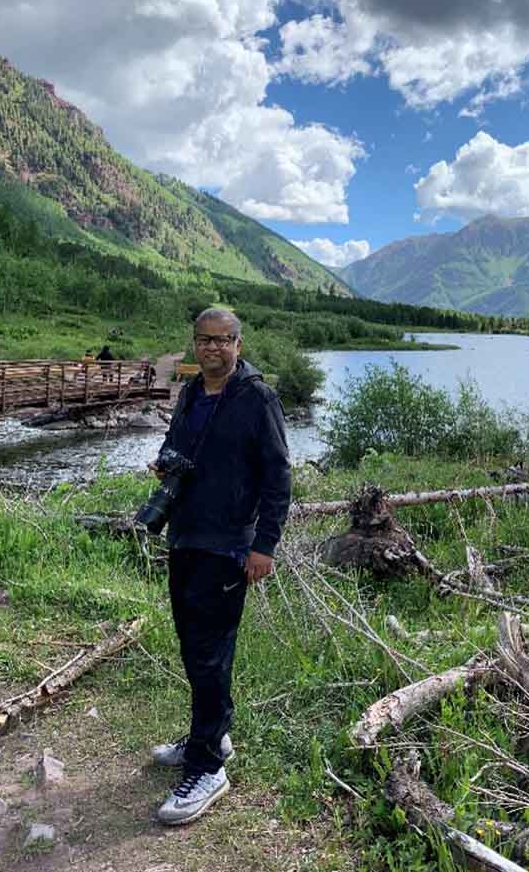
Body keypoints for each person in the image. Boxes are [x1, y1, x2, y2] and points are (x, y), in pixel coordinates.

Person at [148, 308, 290, 826]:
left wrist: (264, 545)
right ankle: (210, 735)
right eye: (203, 340)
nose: (211, 347)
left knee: (210, 654)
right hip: (186, 536)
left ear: (237, 344)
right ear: (195, 343)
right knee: (192, 646)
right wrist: (165, 461)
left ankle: (208, 769)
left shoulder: (258, 399)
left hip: (229, 546)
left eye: (221, 340)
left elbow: (278, 476)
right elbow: (177, 444)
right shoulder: (190, 392)